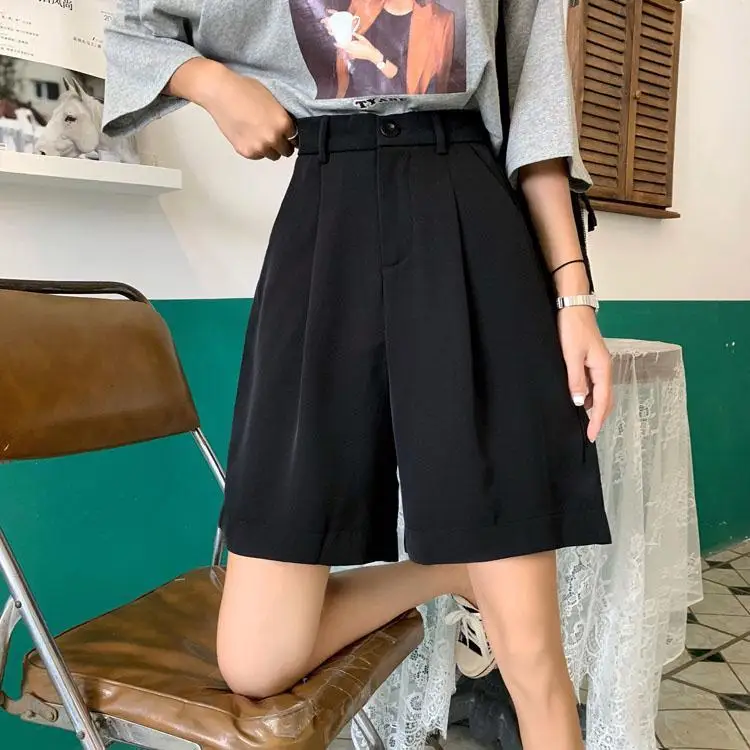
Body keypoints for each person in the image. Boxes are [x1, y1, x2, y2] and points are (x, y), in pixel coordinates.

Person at [103, 1, 613, 748]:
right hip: (324, 215)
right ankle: (451, 574)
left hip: (467, 210)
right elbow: (135, 27)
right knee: (256, 661)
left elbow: (534, 99)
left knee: (532, 658)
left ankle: (484, 577)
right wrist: (211, 83)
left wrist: (574, 294)